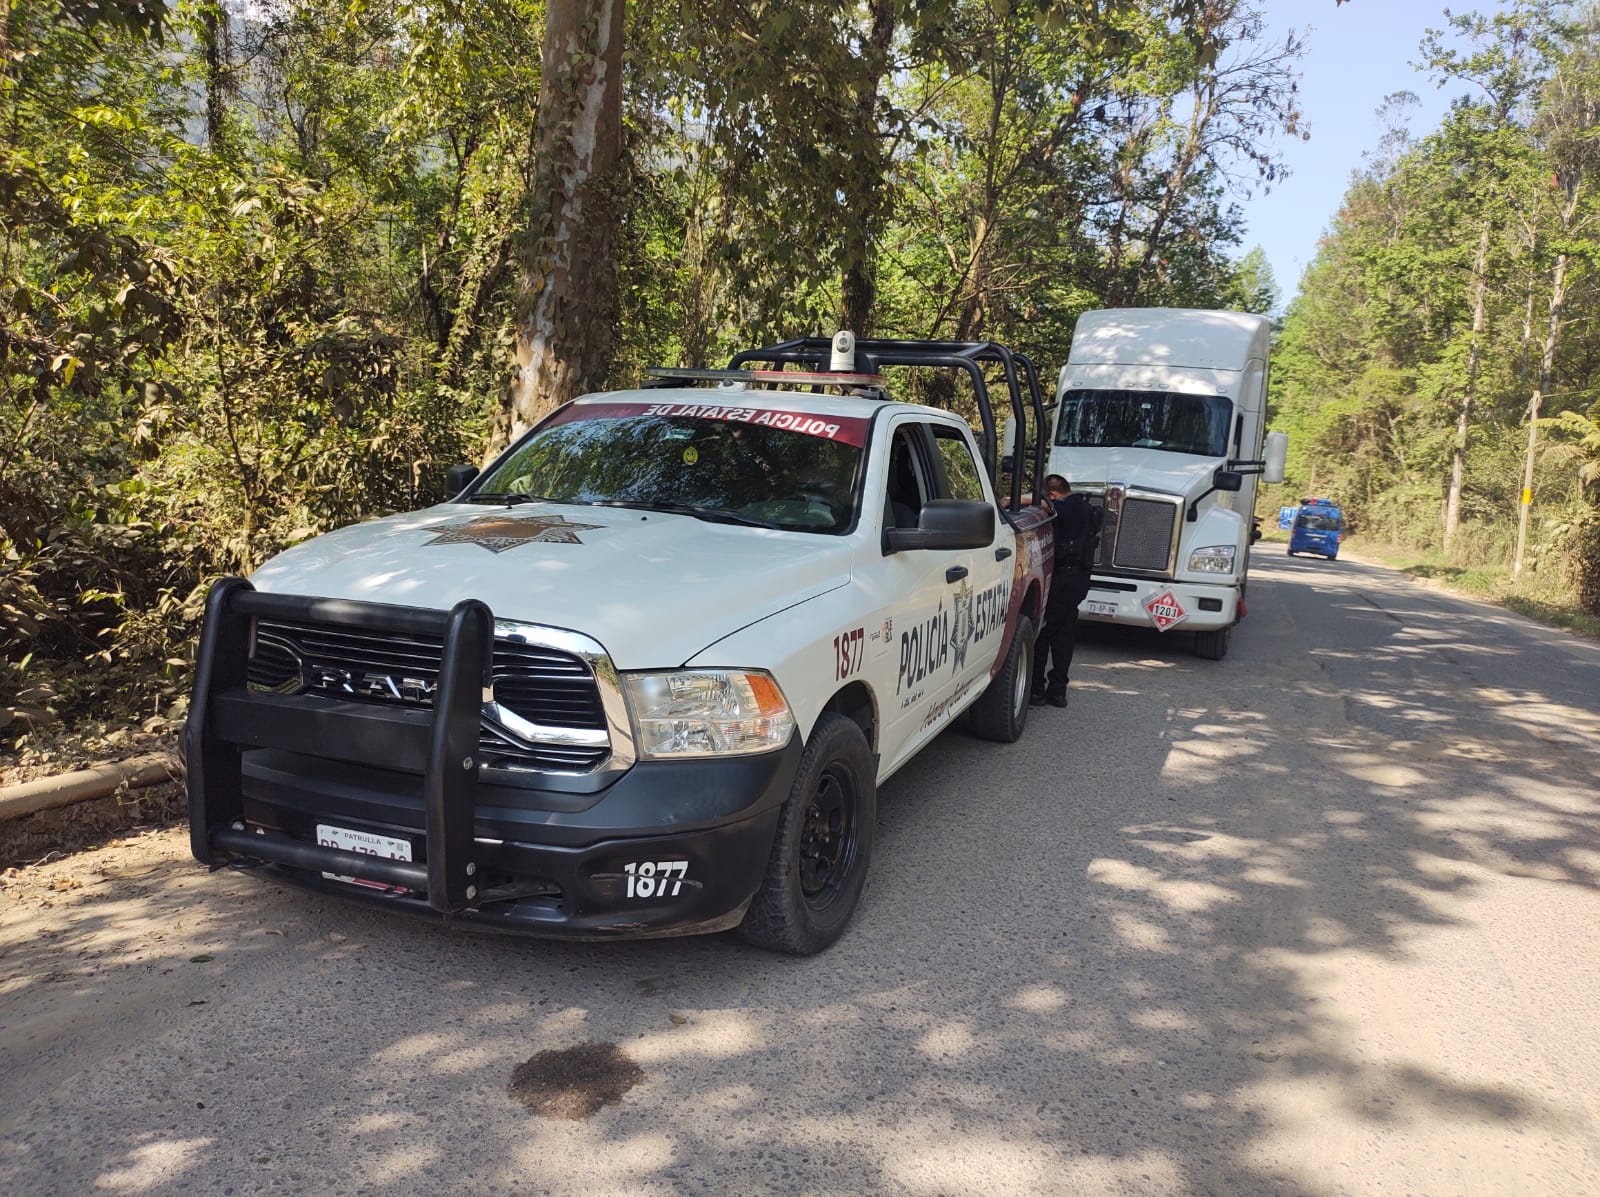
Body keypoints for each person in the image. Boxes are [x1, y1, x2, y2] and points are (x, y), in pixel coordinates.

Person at [1031, 473, 1100, 708]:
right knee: (1064, 634)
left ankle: (1036, 689)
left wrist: (1010, 501)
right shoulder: (1086, 507)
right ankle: (1058, 690)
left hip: (1064, 578)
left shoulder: (1067, 507)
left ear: (1052, 494)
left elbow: (1042, 505)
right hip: (1080, 578)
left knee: (1043, 632)